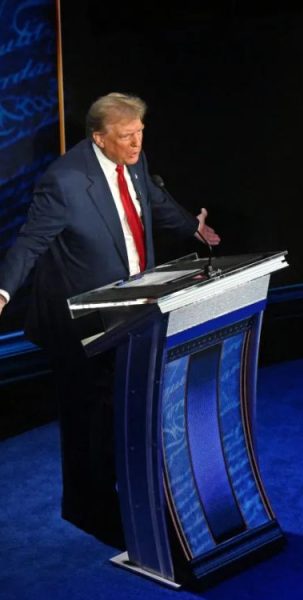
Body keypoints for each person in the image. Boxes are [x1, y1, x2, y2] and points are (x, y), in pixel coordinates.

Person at [0, 92, 220, 547]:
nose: (137, 143)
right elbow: (30, 243)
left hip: (134, 309)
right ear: (99, 138)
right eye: (126, 136)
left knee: (122, 408)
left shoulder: (133, 159)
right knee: (89, 418)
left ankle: (123, 497)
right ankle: (88, 509)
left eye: (140, 133)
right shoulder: (63, 182)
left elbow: (153, 199)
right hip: (79, 321)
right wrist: (2, 290)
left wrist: (192, 228)